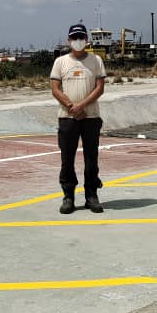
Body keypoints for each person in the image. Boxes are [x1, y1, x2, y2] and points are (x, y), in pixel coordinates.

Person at [50, 23, 107, 214]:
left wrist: (81, 106)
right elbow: (55, 89)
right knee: (67, 159)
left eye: (81, 37)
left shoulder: (96, 60)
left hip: (91, 117)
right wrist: (72, 107)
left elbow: (100, 88)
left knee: (91, 158)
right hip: (67, 118)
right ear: (69, 40)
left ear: (86, 39)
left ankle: (91, 195)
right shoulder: (60, 62)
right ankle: (68, 196)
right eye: (74, 37)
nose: (78, 41)